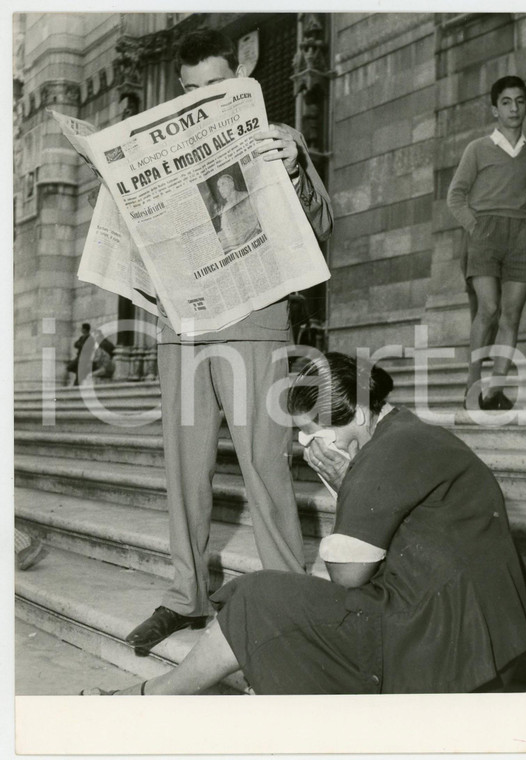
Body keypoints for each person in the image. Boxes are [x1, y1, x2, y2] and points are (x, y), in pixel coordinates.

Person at [82, 352, 526, 695]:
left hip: (443, 648)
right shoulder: (405, 432)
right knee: (263, 601)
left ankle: (150, 697)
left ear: (358, 416)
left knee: (258, 596)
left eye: (314, 432)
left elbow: (349, 575)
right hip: (478, 636)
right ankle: (157, 694)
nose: (305, 444)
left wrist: (346, 482)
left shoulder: (384, 458)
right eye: (299, 433)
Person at [125, 28, 333, 656]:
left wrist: (294, 172)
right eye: (190, 90)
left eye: (215, 87)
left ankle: (289, 597)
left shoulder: (281, 141)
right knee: (182, 468)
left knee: (265, 465)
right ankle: (188, 596)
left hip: (253, 319)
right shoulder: (157, 146)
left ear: (240, 78)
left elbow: (321, 227)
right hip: (181, 325)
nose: (201, 99)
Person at [447, 76, 526, 410]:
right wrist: (475, 227)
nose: (514, 108)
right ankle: (472, 387)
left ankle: (496, 391)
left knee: (511, 316)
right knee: (488, 309)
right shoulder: (477, 148)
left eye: (520, 101)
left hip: (521, 236)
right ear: (495, 109)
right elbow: (456, 195)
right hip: (485, 233)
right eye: (506, 102)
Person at [214, 173, 261, 252]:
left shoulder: (245, 196)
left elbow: (256, 221)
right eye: (219, 186)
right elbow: (225, 230)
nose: (220, 189)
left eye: (223, 184)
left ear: (232, 184)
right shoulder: (225, 209)